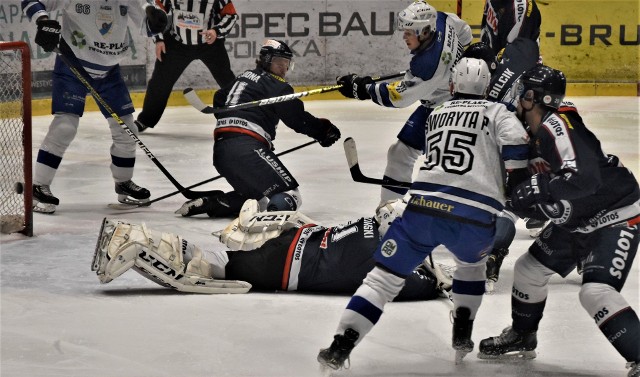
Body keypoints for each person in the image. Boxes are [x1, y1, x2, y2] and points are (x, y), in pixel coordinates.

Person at [316, 57, 530, 370]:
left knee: (381, 282)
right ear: (487, 86)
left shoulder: (436, 113)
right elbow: (516, 150)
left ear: (453, 85)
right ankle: (462, 330)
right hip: (474, 217)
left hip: (422, 210)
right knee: (471, 267)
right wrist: (516, 188)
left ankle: (341, 345)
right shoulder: (499, 111)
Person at [477, 65, 640, 377]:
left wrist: (537, 189)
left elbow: (584, 178)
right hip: (577, 217)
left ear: (531, 98)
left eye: (520, 94)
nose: (514, 102)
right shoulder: (529, 132)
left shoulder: (557, 124)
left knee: (595, 292)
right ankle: (524, 335)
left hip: (615, 215)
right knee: (528, 270)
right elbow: (527, 191)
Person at [92, 198, 453, 301]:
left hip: (290, 241)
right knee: (209, 269)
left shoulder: (369, 226)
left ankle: (138, 234)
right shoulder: (381, 257)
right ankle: (137, 246)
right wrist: (435, 281)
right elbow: (413, 286)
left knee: (218, 259)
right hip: (281, 267)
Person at [22, 0, 168, 213]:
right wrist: (43, 21)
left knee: (127, 130)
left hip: (109, 72)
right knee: (65, 127)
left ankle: (124, 183)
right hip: (73, 65)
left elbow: (146, 24)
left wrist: (156, 22)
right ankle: (38, 186)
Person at [174, 39, 341, 218]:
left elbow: (220, 98)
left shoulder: (244, 77)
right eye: (279, 63)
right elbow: (297, 119)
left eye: (286, 63)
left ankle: (211, 203)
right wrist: (323, 131)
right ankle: (270, 229)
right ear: (266, 60)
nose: (284, 68)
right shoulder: (277, 86)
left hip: (222, 151)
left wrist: (237, 123)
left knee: (256, 201)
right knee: (289, 195)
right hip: (247, 148)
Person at [334, 0, 472, 208]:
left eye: (409, 32)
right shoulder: (442, 19)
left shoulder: (427, 65)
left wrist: (363, 89)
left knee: (445, 168)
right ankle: (389, 208)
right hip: (439, 103)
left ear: (424, 31)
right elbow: (465, 32)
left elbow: (399, 97)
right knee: (400, 152)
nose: (404, 36)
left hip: (448, 113)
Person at [463, 38, 547, 290]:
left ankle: (494, 250)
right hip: (542, 140)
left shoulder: (487, 94)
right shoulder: (513, 64)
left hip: (526, 144)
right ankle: (585, 249)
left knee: (511, 201)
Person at [135, 0, 238, 133]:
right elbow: (157, 12)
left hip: (210, 44)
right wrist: (159, 39)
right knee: (160, 83)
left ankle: (242, 116)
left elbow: (231, 15)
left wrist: (216, 31)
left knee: (227, 81)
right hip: (176, 44)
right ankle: (145, 120)